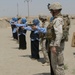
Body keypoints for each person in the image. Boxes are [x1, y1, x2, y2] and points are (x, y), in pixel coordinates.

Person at [32, 2, 65, 75]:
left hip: (56, 45)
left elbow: (59, 33)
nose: (50, 12)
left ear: (55, 11)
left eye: (51, 11)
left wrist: (54, 46)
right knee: (56, 65)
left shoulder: (57, 20)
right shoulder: (58, 19)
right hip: (56, 44)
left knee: (57, 65)